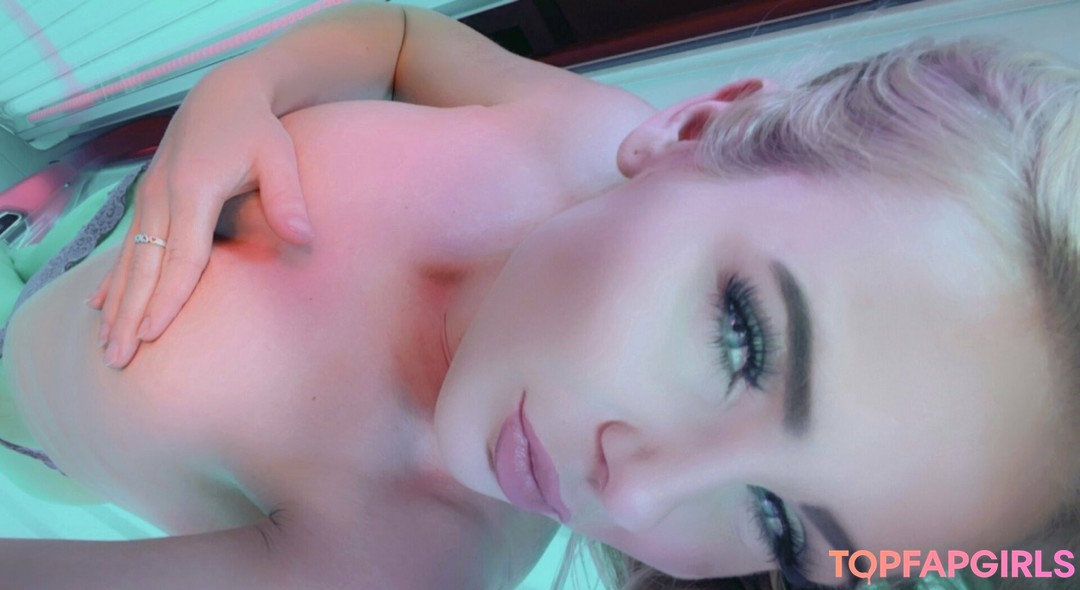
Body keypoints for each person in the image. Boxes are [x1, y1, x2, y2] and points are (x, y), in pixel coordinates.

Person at [1, 4, 1078, 590]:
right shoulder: (574, 131)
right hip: (80, 215)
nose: (638, 498)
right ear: (701, 128)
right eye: (743, 340)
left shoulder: (393, 558)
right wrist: (244, 92)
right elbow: (403, 39)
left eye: (779, 524)